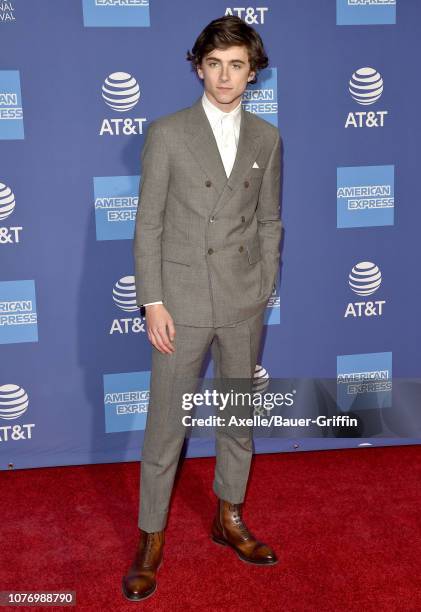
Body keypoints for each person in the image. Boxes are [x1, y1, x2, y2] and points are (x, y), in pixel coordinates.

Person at [122, 15, 283, 601]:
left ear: (252, 72)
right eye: (214, 63)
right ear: (199, 67)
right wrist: (153, 301)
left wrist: (263, 283)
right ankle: (151, 537)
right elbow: (149, 223)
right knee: (166, 428)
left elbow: (269, 220)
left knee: (237, 421)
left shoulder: (267, 137)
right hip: (181, 303)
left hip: (243, 302)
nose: (225, 75)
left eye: (236, 64)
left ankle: (229, 517)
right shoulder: (167, 132)